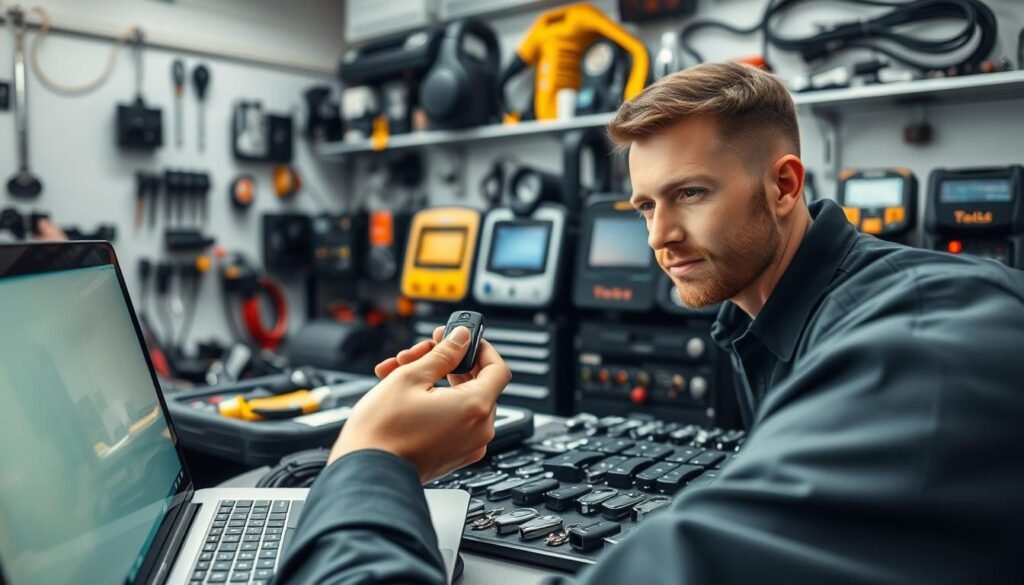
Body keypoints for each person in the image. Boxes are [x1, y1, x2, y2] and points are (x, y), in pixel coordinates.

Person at [274, 62, 1024, 584]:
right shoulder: (777, 318)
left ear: (785, 185)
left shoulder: (918, 342)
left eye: (690, 193)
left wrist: (372, 456)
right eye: (644, 205)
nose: (659, 235)